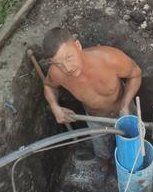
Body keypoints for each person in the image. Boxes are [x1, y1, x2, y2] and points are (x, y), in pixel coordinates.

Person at [42, 27, 142, 179]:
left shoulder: (109, 59)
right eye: (59, 64)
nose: (67, 68)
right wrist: (55, 108)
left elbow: (135, 74)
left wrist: (125, 104)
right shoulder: (57, 73)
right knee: (102, 150)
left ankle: (134, 167)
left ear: (78, 45)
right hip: (95, 119)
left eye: (69, 57)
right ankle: (106, 163)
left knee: (134, 146)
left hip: (125, 111)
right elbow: (48, 86)